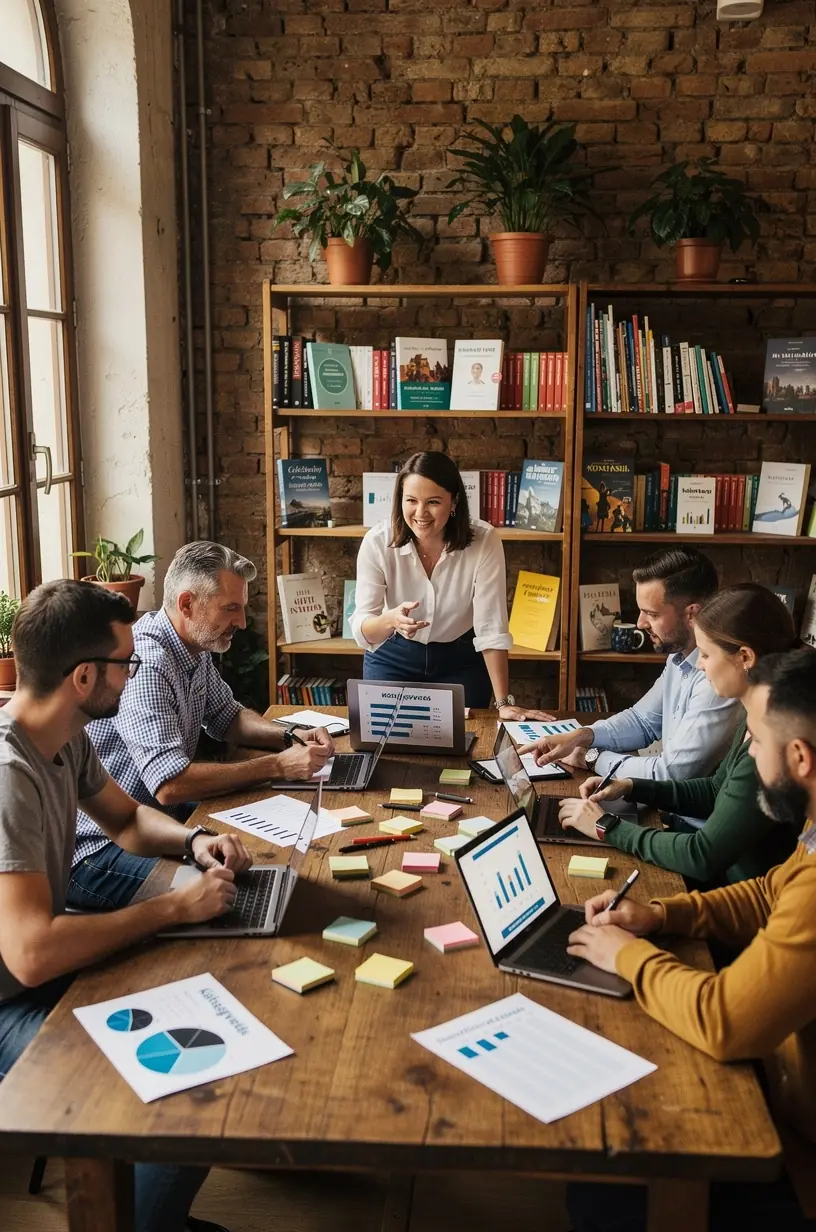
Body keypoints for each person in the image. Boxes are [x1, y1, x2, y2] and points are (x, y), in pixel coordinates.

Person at [0, 579, 253, 1232]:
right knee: (185, 1102)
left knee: (208, 1001)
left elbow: (130, 823)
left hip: (35, 973)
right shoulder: (10, 777)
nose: (134, 671)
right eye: (127, 661)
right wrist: (170, 909)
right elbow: (29, 956)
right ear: (85, 676)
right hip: (12, 996)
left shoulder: (63, 733)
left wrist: (195, 839)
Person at [565, 645, 816, 1232]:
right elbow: (767, 893)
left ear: (800, 756)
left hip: (799, 1150)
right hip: (789, 1088)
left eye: (753, 738)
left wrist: (631, 957)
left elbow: (726, 1023)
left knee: (602, 1187)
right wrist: (659, 915)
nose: (748, 752)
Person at [70, 541, 333, 911]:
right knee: (234, 895)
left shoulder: (193, 645)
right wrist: (276, 765)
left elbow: (229, 717)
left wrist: (288, 735)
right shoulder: (149, 664)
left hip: (150, 823)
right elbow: (170, 784)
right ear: (187, 604)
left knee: (262, 857)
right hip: (96, 850)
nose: (241, 622)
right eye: (231, 609)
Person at [558, 584, 799, 886]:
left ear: (745, 657)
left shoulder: (771, 741)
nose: (699, 664)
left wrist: (605, 825)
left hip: (735, 894)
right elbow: (715, 791)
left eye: (707, 655)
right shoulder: (757, 713)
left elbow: (702, 855)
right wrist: (632, 787)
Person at [519, 546, 741, 786]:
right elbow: (642, 721)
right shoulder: (679, 656)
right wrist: (582, 736)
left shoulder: (718, 681)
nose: (640, 623)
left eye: (652, 614)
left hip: (683, 820)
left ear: (692, 614)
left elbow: (669, 774)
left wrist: (590, 757)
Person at [351, 451, 549, 717]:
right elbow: (363, 628)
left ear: (454, 501)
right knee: (385, 741)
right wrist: (390, 621)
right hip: (392, 657)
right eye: (411, 500)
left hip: (460, 661)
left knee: (467, 742)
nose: (420, 513)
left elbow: (491, 627)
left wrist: (503, 704)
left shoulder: (484, 541)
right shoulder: (377, 542)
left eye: (433, 502)